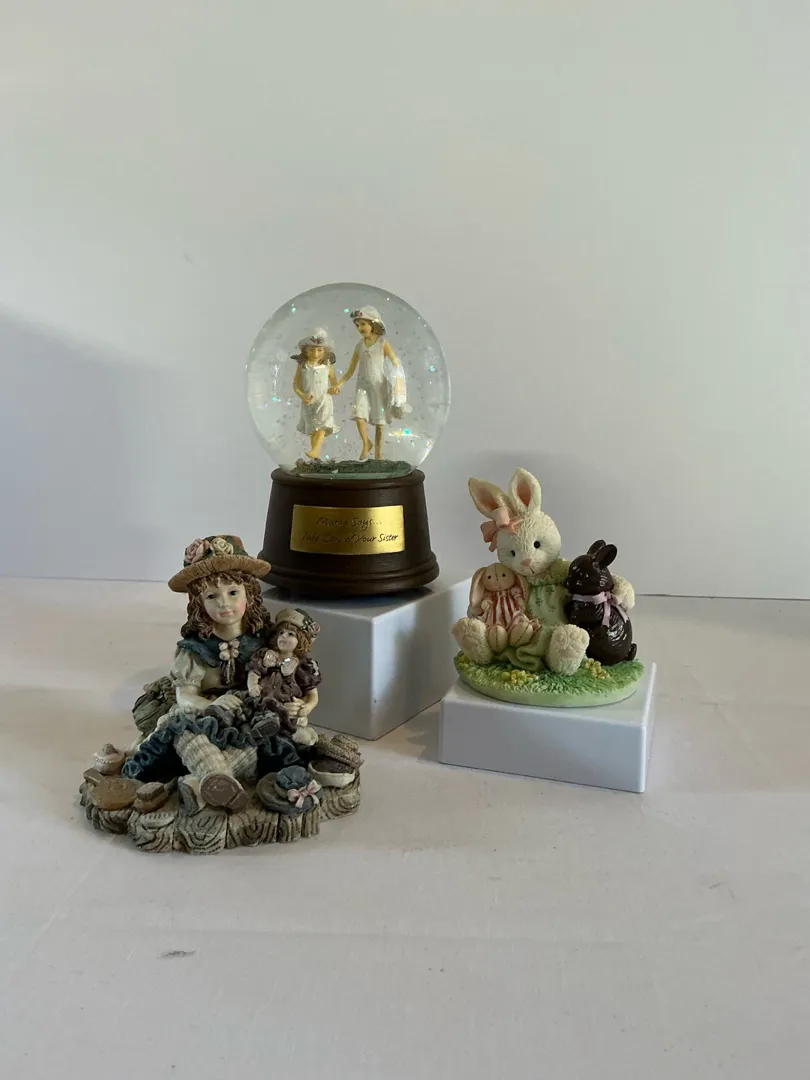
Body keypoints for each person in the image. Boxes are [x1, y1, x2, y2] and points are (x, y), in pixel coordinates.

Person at [124, 535, 300, 813]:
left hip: (245, 717)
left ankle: (202, 785)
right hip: (204, 713)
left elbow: (281, 682)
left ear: (249, 594)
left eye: (233, 592)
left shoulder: (266, 643)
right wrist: (211, 705)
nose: (224, 604)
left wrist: (291, 703)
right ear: (199, 603)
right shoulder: (193, 651)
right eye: (212, 596)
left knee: (252, 743)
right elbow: (185, 697)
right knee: (184, 731)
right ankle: (220, 783)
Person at [245, 608, 322, 746]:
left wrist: (307, 707)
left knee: (288, 724)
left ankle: (278, 732)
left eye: (290, 634)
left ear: (301, 640)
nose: (283, 637)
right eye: (281, 633)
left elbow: (313, 695)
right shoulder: (266, 656)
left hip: (286, 708)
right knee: (245, 708)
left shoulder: (303, 666)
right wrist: (252, 685)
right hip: (262, 702)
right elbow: (254, 672)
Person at [334, 306, 403, 461]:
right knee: (359, 416)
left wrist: (397, 377)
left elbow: (395, 361)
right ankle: (366, 443)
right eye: (358, 325)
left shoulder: (382, 343)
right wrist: (339, 384)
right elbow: (351, 370)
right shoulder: (359, 345)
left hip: (379, 386)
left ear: (373, 323)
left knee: (380, 423)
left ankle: (379, 457)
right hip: (363, 386)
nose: (360, 328)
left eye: (363, 324)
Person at [292, 329, 340, 459]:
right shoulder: (303, 365)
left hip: (323, 399)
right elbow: (296, 384)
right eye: (311, 350)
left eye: (319, 350)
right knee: (313, 429)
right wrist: (302, 395)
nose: (315, 354)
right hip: (308, 401)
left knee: (322, 425)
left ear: (325, 351)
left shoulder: (327, 365)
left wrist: (334, 388)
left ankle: (316, 450)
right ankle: (315, 458)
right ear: (305, 351)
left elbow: (333, 380)